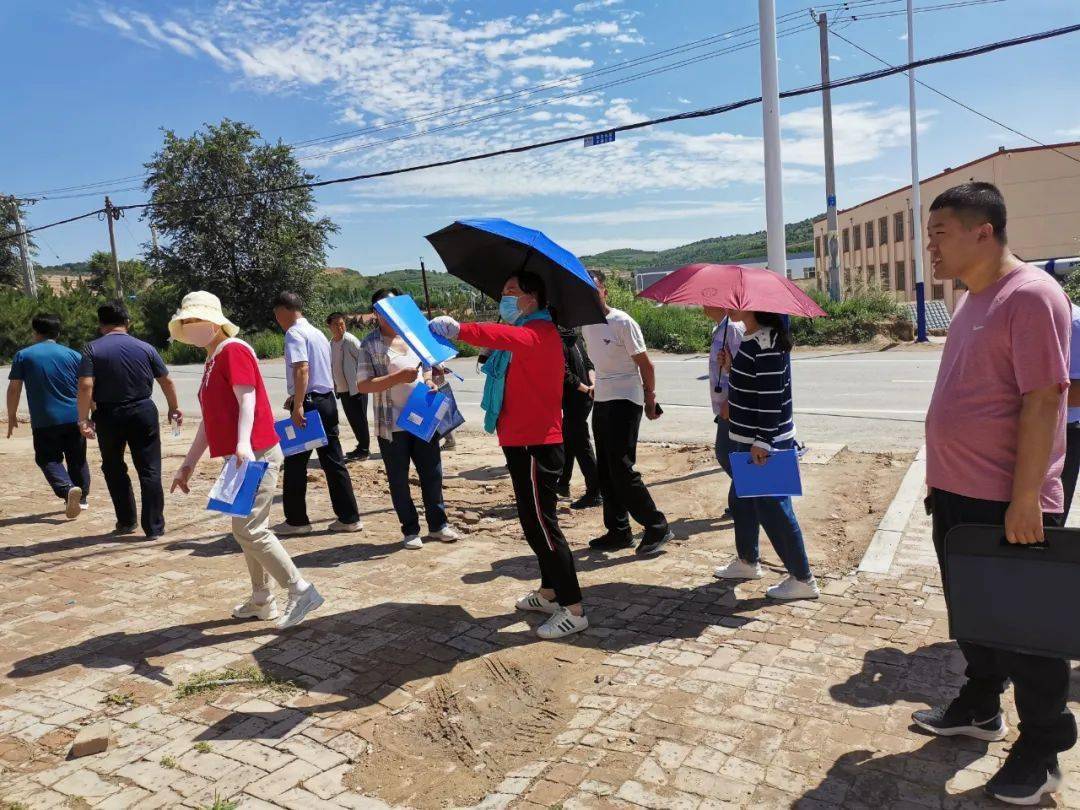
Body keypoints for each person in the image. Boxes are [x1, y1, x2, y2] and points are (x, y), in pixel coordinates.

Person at [913, 182, 1075, 805]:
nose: (932, 247)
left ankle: (1042, 749)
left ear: (984, 231)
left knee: (1030, 637)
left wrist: (1028, 496)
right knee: (976, 622)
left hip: (1008, 502)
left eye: (940, 233)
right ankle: (980, 706)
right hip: (957, 496)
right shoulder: (972, 301)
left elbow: (1044, 399)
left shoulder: (1031, 295)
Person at [430, 272, 587, 639]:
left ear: (532, 297)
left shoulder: (539, 333)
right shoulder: (526, 334)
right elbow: (501, 348)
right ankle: (550, 592)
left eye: (510, 292)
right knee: (531, 522)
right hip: (518, 440)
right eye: (502, 292)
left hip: (537, 443)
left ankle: (574, 607)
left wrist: (460, 329)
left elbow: (502, 335)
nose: (504, 298)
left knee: (544, 526)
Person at [169, 291, 323, 630]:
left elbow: (248, 399)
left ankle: (301, 590)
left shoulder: (233, 350)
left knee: (250, 528)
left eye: (196, 320)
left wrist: (241, 444)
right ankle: (261, 599)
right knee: (247, 530)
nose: (191, 327)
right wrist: (188, 464)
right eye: (187, 322)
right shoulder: (212, 360)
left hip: (254, 454)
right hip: (239, 459)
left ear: (214, 321)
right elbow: (210, 421)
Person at [712, 309, 820, 601]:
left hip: (761, 443)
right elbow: (752, 386)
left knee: (774, 509)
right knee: (742, 502)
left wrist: (764, 441)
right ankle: (748, 561)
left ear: (755, 308)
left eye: (739, 302)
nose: (732, 306)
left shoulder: (768, 342)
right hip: (745, 438)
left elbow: (771, 396)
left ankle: (802, 578)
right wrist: (732, 368)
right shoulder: (752, 338)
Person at [357, 288, 460, 550]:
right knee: (399, 479)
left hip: (422, 417)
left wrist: (429, 381)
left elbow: (427, 368)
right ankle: (410, 529)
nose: (390, 313)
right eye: (384, 308)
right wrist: (395, 378)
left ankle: (438, 525)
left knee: (432, 473)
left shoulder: (415, 337)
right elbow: (364, 385)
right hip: (391, 425)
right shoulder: (370, 344)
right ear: (376, 313)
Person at [582, 271, 673, 557]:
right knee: (605, 470)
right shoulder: (585, 324)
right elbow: (594, 361)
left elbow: (647, 365)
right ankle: (619, 531)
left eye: (594, 288)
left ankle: (657, 525)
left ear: (604, 291)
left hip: (627, 398)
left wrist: (649, 399)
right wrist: (596, 383)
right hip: (604, 398)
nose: (590, 294)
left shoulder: (622, 322)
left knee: (622, 467)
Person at [77, 302, 181, 539]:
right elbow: (166, 381)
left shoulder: (91, 349)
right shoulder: (145, 347)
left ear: (101, 324)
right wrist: (173, 408)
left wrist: (83, 419)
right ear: (127, 323)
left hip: (108, 415)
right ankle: (154, 527)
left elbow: (85, 386)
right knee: (149, 468)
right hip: (143, 411)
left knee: (113, 467)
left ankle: (126, 521)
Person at [272, 292, 361, 536]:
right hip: (327, 400)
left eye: (277, 315)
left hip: (309, 405)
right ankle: (349, 517)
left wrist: (298, 404)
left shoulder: (294, 333)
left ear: (284, 310)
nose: (277, 320)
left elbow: (302, 369)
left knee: (294, 463)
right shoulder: (317, 333)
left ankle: (297, 521)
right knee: (333, 461)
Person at [6, 313, 89, 519]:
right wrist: (90, 414)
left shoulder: (24, 355)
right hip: (74, 415)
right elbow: (86, 386)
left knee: (47, 458)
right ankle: (82, 498)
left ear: (35, 332)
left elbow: (14, 389)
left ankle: (66, 489)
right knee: (77, 458)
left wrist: (12, 414)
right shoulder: (74, 355)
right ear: (58, 332)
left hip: (45, 419)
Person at [557, 326, 601, 509]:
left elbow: (565, 375)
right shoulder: (575, 337)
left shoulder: (559, 341)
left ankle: (595, 492)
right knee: (569, 440)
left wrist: (587, 387)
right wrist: (592, 385)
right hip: (584, 397)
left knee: (581, 445)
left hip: (576, 399)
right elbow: (589, 365)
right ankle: (562, 485)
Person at [707, 308, 745, 520]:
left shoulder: (731, 328)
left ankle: (750, 497)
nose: (703, 304)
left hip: (732, 405)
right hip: (725, 404)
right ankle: (743, 501)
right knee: (730, 454)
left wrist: (730, 402)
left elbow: (744, 370)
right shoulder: (721, 327)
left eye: (708, 299)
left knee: (725, 454)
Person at [326, 312, 370, 462]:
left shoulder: (350, 340)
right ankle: (360, 447)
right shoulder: (331, 344)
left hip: (357, 388)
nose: (340, 327)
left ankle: (364, 450)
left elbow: (364, 359)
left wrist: (362, 380)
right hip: (343, 389)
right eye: (336, 324)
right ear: (329, 326)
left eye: (342, 324)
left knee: (360, 420)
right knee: (353, 419)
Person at [1060, 297, 1080, 517]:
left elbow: (1077, 393)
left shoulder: (1073, 322)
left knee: (1047, 526)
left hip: (1063, 432)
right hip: (1018, 427)